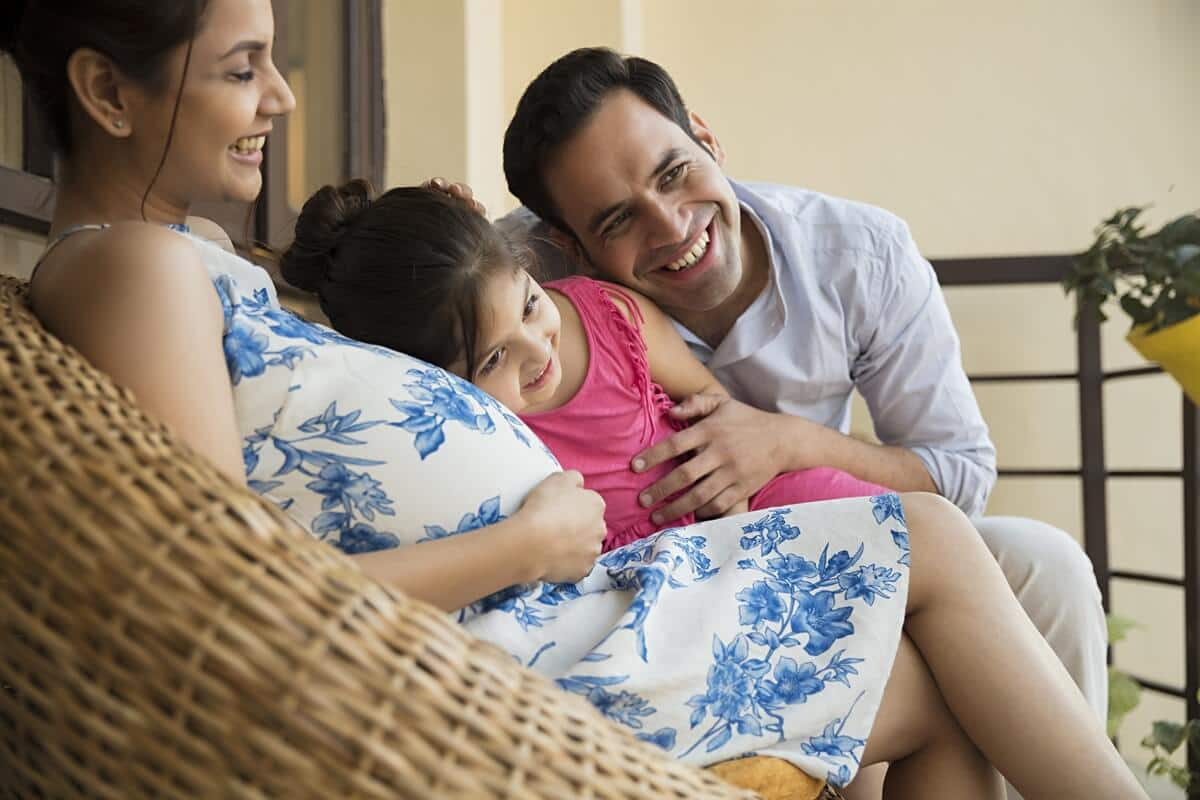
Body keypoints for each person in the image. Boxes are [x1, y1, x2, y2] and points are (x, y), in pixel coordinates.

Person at [3, 3, 1146, 797]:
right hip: (531, 631)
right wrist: (523, 540)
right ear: (106, 90)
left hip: (571, 597)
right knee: (939, 567)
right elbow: (224, 592)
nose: (285, 95)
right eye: (242, 65)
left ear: (708, 138)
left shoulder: (189, 256)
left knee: (968, 580)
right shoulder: (140, 268)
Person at [498, 47, 1108, 797]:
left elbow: (959, 473)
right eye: (620, 218)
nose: (671, 225)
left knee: (1044, 564)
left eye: (674, 172)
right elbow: (415, 285)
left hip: (829, 516)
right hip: (668, 582)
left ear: (706, 137)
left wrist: (788, 440)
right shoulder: (527, 289)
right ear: (566, 243)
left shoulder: (862, 254)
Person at [282, 182, 892, 553]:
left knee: (919, 538)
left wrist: (726, 485)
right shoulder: (470, 445)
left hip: (756, 512)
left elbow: (716, 407)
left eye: (528, 305)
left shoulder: (610, 315)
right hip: (672, 578)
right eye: (495, 358)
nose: (538, 351)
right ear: (437, 383)